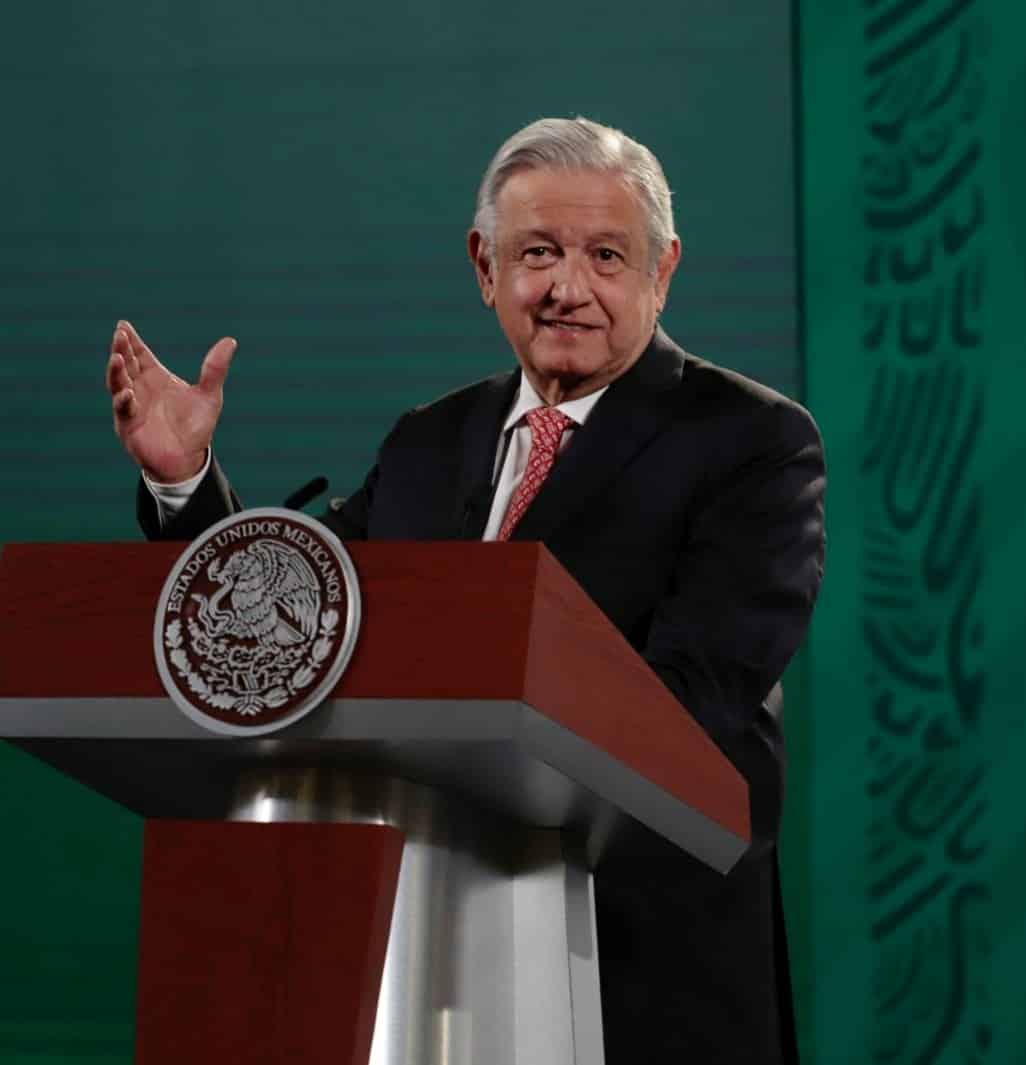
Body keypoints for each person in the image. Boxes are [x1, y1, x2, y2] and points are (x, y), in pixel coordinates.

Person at [104, 116, 824, 1065]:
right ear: (486, 267)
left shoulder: (750, 440)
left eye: (607, 255)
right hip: (413, 951)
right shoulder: (430, 439)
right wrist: (187, 480)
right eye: (538, 254)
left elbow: (697, 697)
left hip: (641, 963)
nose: (569, 288)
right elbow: (300, 624)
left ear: (663, 270)